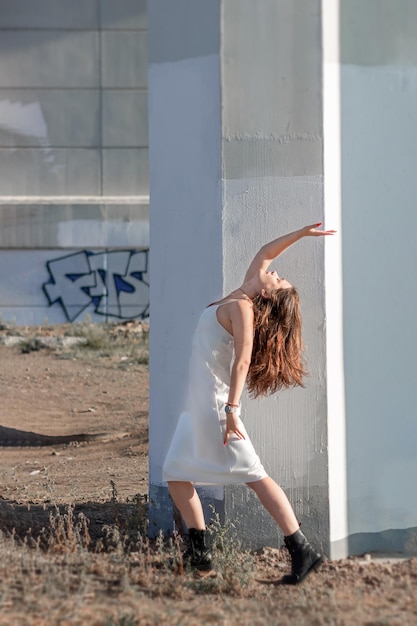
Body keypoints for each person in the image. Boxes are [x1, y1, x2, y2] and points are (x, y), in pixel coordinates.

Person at [163, 222, 336, 584]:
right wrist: (301, 235)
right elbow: (266, 252)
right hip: (197, 407)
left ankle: (301, 550)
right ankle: (200, 555)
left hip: (215, 407)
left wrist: (231, 411)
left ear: (271, 296)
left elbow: (243, 360)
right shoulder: (242, 293)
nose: (275, 272)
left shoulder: (243, 309)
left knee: (254, 475)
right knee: (176, 474)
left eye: (280, 279)